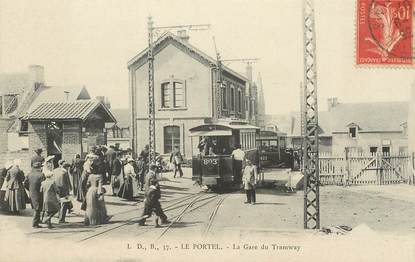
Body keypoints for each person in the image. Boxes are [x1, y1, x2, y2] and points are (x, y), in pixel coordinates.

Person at [84, 158, 111, 226]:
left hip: (90, 191)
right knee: (99, 206)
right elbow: (100, 186)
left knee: (90, 206)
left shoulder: (90, 176)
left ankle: (89, 219)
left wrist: (88, 190)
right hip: (96, 190)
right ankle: (99, 219)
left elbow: (87, 184)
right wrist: (100, 194)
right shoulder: (99, 176)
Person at [25, 162, 45, 228]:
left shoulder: (29, 174)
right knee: (38, 208)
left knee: (36, 207)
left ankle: (38, 221)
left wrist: (30, 189)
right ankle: (35, 224)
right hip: (39, 193)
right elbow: (43, 185)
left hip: (32, 193)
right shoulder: (41, 175)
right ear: (39, 167)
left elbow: (25, 184)